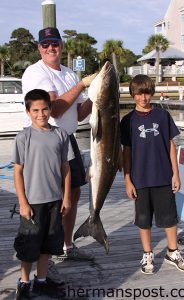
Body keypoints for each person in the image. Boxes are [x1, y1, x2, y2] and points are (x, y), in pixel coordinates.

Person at [22, 27, 96, 261]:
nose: (51, 47)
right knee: (49, 198)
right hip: (47, 141)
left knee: (72, 193)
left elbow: (81, 113)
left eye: (55, 43)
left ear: (61, 45)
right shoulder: (36, 72)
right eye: (46, 44)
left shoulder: (68, 73)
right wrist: (83, 85)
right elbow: (54, 110)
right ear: (39, 48)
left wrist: (98, 92)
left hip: (68, 139)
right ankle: (47, 250)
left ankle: (66, 245)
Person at [120, 74, 184, 275]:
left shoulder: (162, 115)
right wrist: (127, 179)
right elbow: (126, 151)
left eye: (147, 93)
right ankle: (147, 254)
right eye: (139, 94)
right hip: (139, 178)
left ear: (151, 93)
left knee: (169, 217)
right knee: (143, 219)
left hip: (163, 175)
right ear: (133, 95)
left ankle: (172, 252)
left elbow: (170, 145)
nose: (143, 98)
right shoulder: (127, 121)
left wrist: (175, 174)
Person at [13, 89, 73, 299]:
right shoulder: (23, 137)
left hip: (55, 200)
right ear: (28, 111)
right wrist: (23, 202)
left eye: (45, 109)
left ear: (50, 109)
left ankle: (41, 280)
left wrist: (66, 197)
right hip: (32, 203)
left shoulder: (60, 135)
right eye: (35, 110)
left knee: (49, 242)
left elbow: (66, 168)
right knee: (29, 245)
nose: (41, 114)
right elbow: (18, 171)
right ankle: (24, 282)